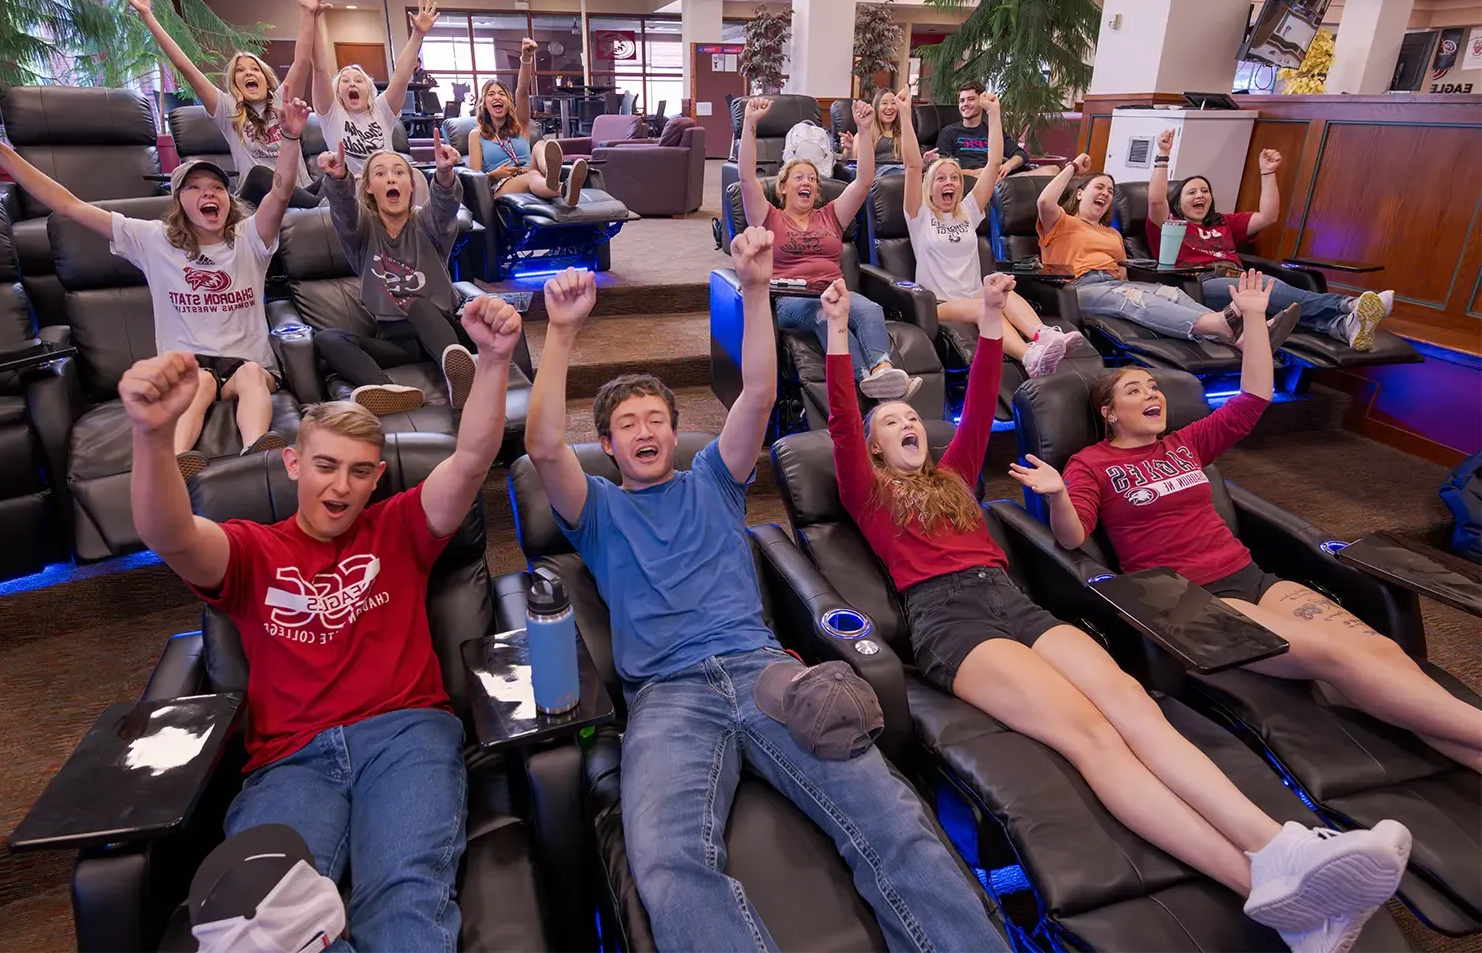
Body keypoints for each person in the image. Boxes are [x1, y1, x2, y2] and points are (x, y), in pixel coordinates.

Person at [827, 268, 1415, 953]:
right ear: (871, 447)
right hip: (947, 621)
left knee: (1132, 704)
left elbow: (985, 395)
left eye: (911, 418)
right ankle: (1270, 896)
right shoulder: (866, 490)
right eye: (890, 422)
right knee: (1091, 735)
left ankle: (1284, 848)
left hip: (1009, 598)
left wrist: (991, 314)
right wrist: (839, 332)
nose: (905, 424)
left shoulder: (955, 474)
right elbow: (843, 416)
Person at [522, 231, 1009, 953]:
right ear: (611, 448)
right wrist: (561, 333)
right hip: (665, 697)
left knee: (893, 822)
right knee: (667, 864)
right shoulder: (594, 510)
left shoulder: (716, 478)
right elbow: (541, 447)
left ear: (677, 430)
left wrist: (755, 289)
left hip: (766, 673)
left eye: (657, 417)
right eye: (627, 425)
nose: (645, 429)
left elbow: (758, 392)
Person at [116, 291, 523, 951]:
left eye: (360, 473)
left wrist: (495, 359)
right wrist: (152, 437)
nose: (341, 487)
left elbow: (472, 459)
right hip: (290, 760)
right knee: (255, 929)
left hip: (406, 735)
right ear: (294, 463)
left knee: (405, 901)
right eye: (327, 466)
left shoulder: (400, 528)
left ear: (376, 480)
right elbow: (168, 532)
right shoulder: (252, 548)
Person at [1011, 268, 1482, 782]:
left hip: (1252, 577)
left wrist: (1255, 319)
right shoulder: (1089, 464)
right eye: (1135, 389)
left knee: (1380, 650)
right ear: (1109, 412)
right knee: (1335, 655)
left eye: (1154, 387)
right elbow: (1072, 537)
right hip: (1196, 600)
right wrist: (1057, 494)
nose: (1153, 394)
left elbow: (1255, 396)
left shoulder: (1185, 444)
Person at [0, 102, 311, 476]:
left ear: (228, 199)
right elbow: (69, 206)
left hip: (248, 362)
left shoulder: (249, 238)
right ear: (179, 202)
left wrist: (291, 136)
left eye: (218, 187)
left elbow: (281, 193)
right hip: (188, 365)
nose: (210, 194)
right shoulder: (154, 241)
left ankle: (256, 452)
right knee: (199, 383)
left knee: (251, 376)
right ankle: (172, 462)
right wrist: (0, 152)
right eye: (195, 188)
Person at [896, 86, 1084, 377]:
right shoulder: (918, 215)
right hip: (939, 304)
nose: (950, 182)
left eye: (955, 178)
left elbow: (994, 163)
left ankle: (1045, 336)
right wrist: (905, 116)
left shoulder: (968, 209)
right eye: (941, 178)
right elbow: (911, 164)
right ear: (929, 186)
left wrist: (994, 114)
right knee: (987, 306)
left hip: (974, 294)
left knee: (1005, 292)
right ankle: (1030, 357)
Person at [1147, 129, 1393, 351]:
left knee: (1272, 297)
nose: (1200, 195)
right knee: (1265, 287)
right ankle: (1348, 305)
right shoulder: (1171, 225)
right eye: (1192, 192)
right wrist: (1163, 154)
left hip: (1239, 278)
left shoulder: (1224, 222)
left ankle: (1343, 326)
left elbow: (1267, 216)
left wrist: (1268, 172)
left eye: (1205, 191)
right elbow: (1156, 201)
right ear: (1178, 201)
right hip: (1200, 283)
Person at [739, 95, 918, 401]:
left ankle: (882, 371)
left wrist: (864, 129)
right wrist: (750, 125)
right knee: (827, 316)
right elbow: (745, 177)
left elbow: (863, 182)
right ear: (783, 187)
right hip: (792, 301)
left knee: (869, 309)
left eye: (812, 178)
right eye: (798, 177)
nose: (806, 181)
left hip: (834, 291)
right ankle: (869, 383)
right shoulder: (769, 217)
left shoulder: (831, 215)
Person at [1038, 154, 1302, 352]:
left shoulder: (1113, 234)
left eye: (1110, 190)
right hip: (1076, 288)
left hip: (1114, 284)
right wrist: (1072, 167)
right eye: (1099, 187)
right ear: (1080, 192)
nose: (1106, 193)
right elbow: (1044, 201)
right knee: (1133, 296)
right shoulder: (1061, 221)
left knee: (1171, 292)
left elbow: (1122, 274)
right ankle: (1222, 324)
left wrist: (1141, 287)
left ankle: (1241, 336)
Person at [313, 132, 480, 417]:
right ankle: (390, 391)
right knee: (326, 339)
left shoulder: (428, 225)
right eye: (380, 174)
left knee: (416, 305)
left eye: (399, 172)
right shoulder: (362, 234)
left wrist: (443, 173)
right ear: (368, 188)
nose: (391, 179)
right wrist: (339, 180)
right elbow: (344, 212)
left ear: (411, 186)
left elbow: (444, 207)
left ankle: (460, 375)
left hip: (441, 329)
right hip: (396, 339)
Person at [120, 0, 323, 208]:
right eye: (240, 71)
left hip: (300, 194)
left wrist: (308, 13)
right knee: (260, 174)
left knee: (339, 173)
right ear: (234, 82)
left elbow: (302, 59)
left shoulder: (282, 101)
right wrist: (147, 15)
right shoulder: (228, 109)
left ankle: (315, 206)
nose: (249, 74)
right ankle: (317, 208)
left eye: (255, 69)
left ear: (266, 79)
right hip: (257, 202)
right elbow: (184, 65)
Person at [312, 0, 439, 204]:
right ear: (337, 92)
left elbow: (401, 76)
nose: (352, 84)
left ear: (369, 90)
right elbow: (319, 67)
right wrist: (313, 18)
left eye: (359, 80)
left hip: (387, 185)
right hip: (350, 189)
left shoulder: (381, 110)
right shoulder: (332, 113)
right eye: (345, 81)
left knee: (416, 176)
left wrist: (417, 35)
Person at [466, 42, 590, 208]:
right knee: (532, 176)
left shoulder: (520, 125)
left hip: (530, 173)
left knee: (539, 144)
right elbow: (475, 177)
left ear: (509, 102)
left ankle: (550, 171)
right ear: (484, 104)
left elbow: (522, 91)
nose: (497, 97)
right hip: (501, 185)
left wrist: (526, 58)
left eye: (502, 94)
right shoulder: (476, 135)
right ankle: (564, 189)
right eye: (491, 94)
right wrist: (493, 175)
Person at [927, 81, 1029, 179]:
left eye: (971, 99)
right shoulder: (949, 132)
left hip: (995, 179)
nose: (965, 104)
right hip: (965, 180)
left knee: (1044, 172)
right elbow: (942, 167)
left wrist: (1008, 166)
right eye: (962, 100)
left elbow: (1021, 154)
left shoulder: (992, 132)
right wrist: (976, 173)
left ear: (982, 102)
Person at [839, 88, 904, 178]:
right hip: (880, 175)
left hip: (903, 171)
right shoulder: (867, 130)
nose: (889, 107)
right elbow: (850, 162)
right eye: (884, 103)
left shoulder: (903, 132)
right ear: (876, 107)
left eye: (893, 103)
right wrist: (850, 148)